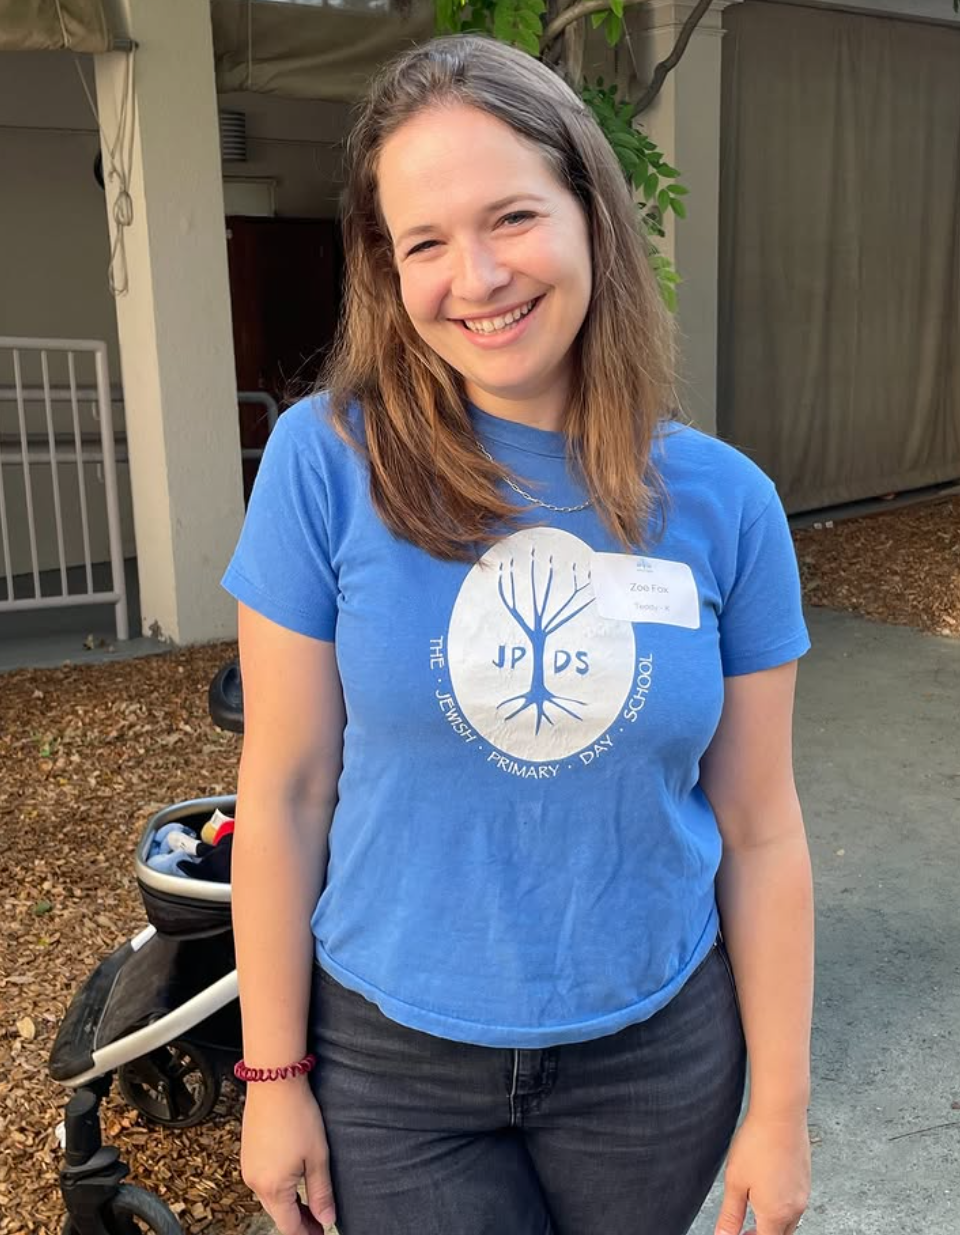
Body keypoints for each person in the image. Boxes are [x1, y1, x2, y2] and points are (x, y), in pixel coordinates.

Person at [222, 33, 814, 1235]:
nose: (478, 276)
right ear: (387, 270)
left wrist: (783, 1104)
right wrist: (272, 1077)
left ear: (590, 212)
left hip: (654, 1059)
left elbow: (760, 827)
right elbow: (282, 792)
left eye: (512, 217)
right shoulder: (323, 463)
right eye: (425, 243)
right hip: (391, 1062)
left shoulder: (727, 502)